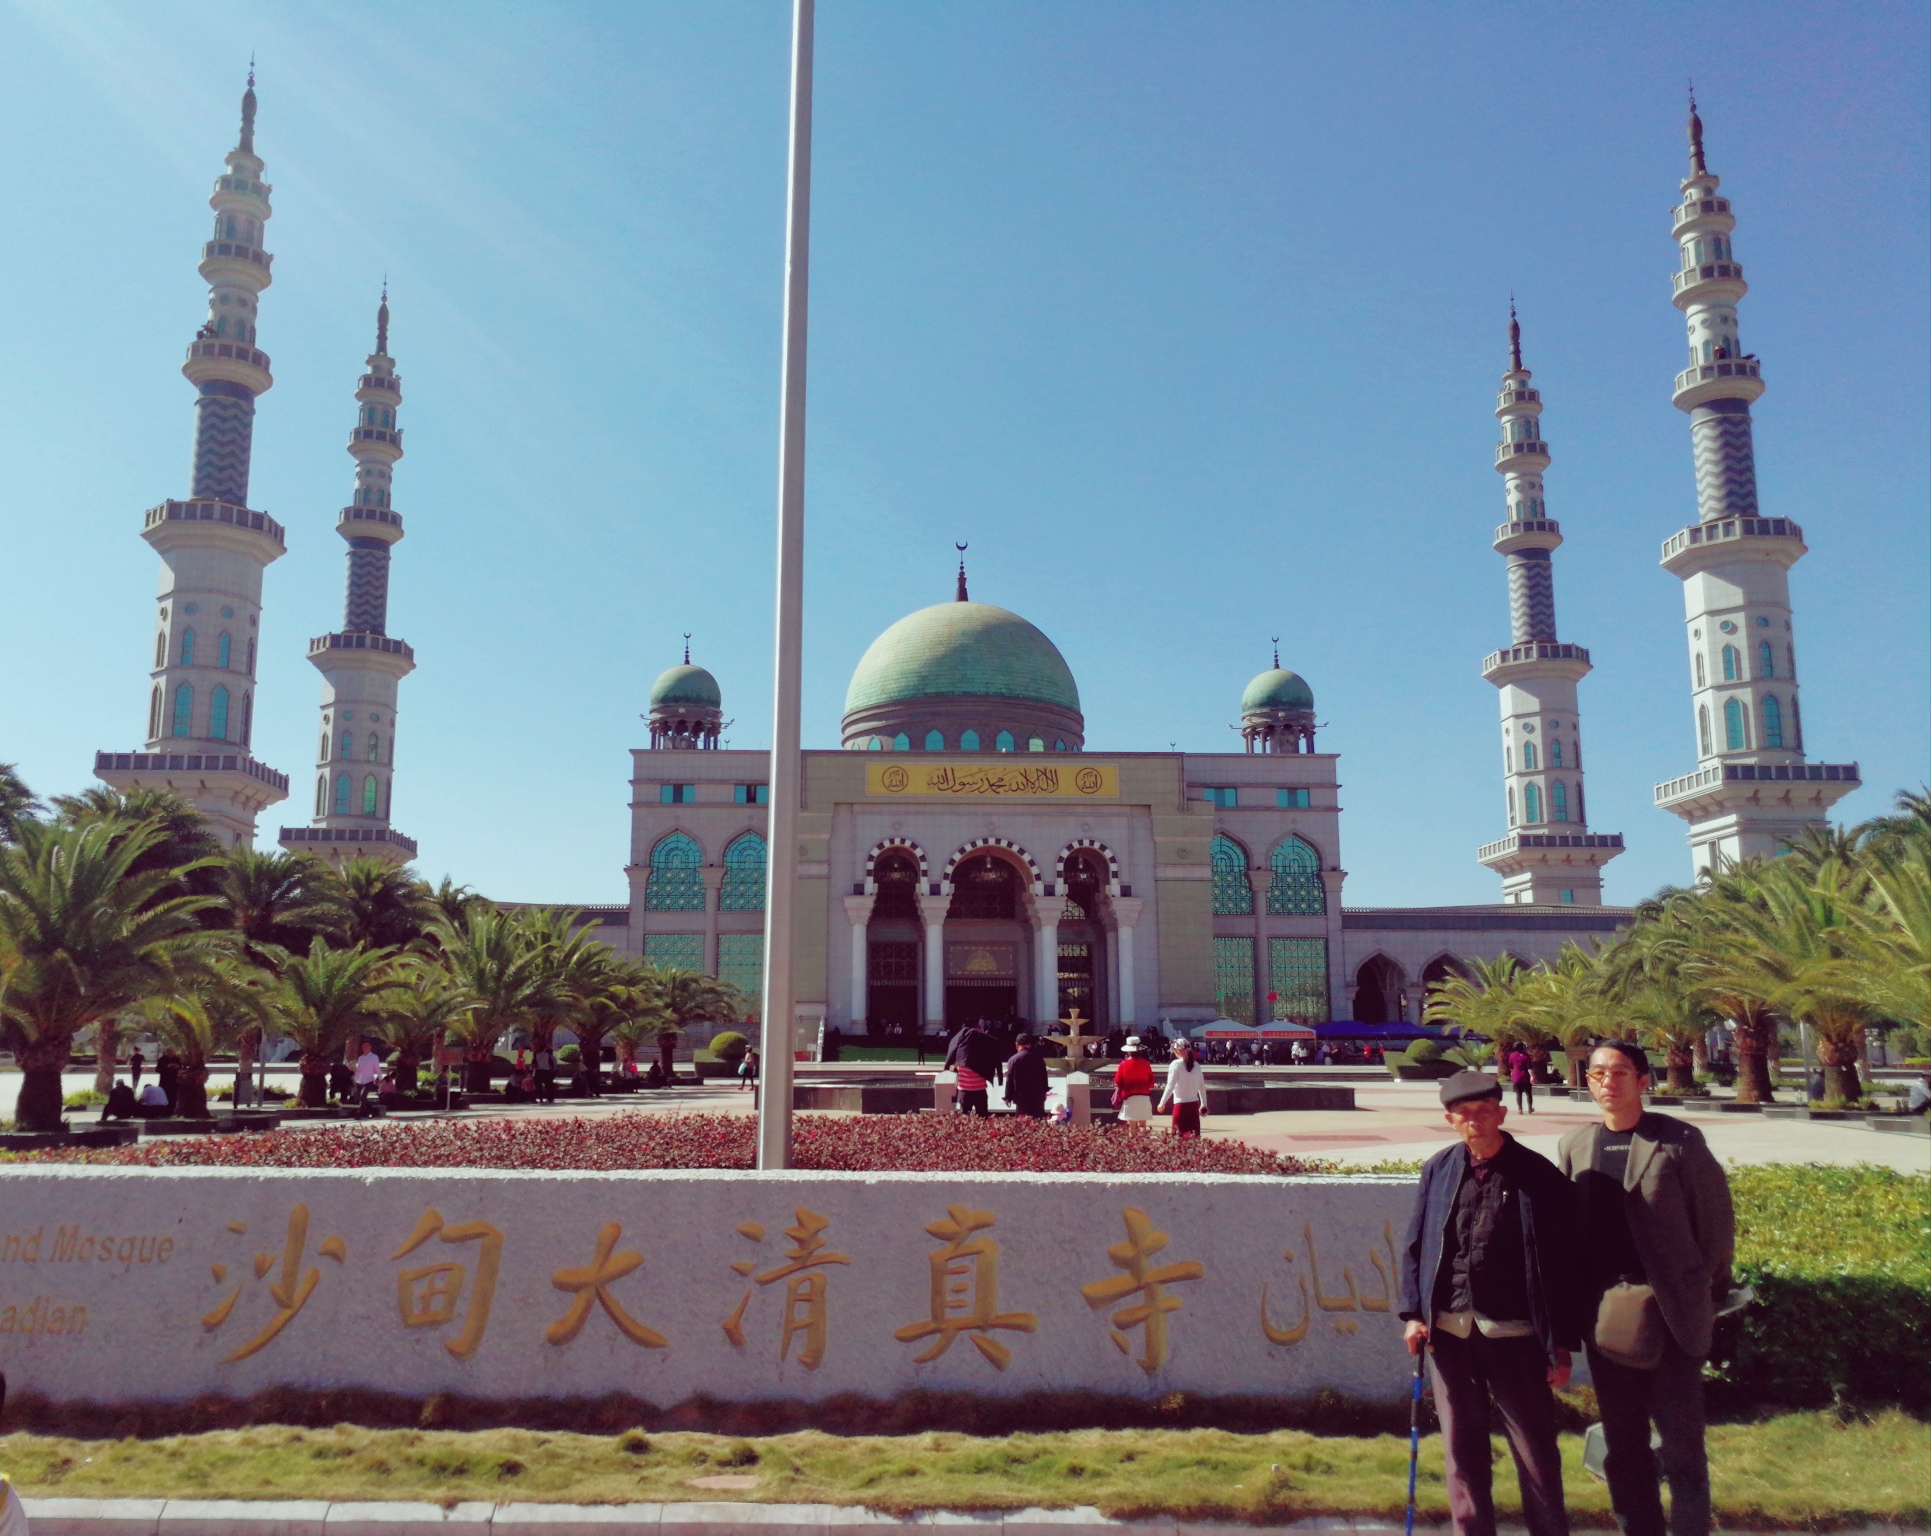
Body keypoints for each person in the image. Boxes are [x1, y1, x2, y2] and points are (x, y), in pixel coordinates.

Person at [1558, 1041, 1735, 1536]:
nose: (1607, 1082)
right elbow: (1571, 1239)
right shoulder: (1575, 1146)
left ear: (1642, 1080)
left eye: (1619, 1072)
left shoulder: (1678, 1142)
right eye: (1596, 1073)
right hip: (1608, 1322)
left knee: (1682, 1449)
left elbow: (1716, 1231)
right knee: (1624, 1445)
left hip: (1672, 1316)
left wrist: (1701, 1295)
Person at [1398, 1070, 1579, 1536]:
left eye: (1485, 1112)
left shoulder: (1538, 1176)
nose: (1475, 1121)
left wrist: (1560, 1345)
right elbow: (1416, 1246)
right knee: (1463, 1448)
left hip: (1516, 1335)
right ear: (1450, 1120)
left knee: (1535, 1450)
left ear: (1501, 1113)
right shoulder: (1438, 1169)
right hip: (1450, 1334)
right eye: (1465, 1114)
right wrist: (1414, 1315)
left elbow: (1562, 1265)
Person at [944, 1022, 1003, 1117]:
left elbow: (952, 1068)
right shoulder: (983, 1058)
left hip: (964, 1091)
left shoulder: (960, 1058)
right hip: (980, 1091)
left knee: (965, 1118)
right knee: (983, 1117)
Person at [1157, 1037, 1207, 1137]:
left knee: (1179, 1138)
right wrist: (1203, 1104)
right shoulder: (1196, 1065)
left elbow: (1170, 1085)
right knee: (1194, 1138)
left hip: (1180, 1106)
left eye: (1174, 1050)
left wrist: (1162, 1103)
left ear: (1178, 1050)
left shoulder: (1175, 1064)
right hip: (1194, 1105)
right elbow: (1201, 1086)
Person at [1004, 1034, 1050, 1119]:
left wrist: (1008, 1097)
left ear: (1016, 1044)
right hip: (1038, 1097)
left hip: (1021, 1098)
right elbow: (1044, 1077)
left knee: (1024, 1126)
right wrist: (1044, 1091)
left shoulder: (1013, 1060)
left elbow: (1009, 1080)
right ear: (1029, 1044)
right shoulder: (1038, 1058)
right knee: (1038, 1124)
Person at [1113, 1036, 1156, 1126]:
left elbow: (1117, 1081)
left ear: (1128, 1051)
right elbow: (1151, 1083)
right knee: (1142, 1127)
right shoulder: (1146, 1063)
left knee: (1132, 1128)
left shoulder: (1123, 1064)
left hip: (1130, 1099)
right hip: (1144, 1098)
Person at [1508, 1045, 1536, 1114]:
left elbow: (1510, 1066)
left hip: (1516, 1076)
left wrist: (1512, 1073)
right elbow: (1529, 1067)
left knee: (1518, 1093)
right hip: (1526, 1076)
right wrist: (1532, 1076)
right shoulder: (1526, 1055)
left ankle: (1520, 1109)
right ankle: (1530, 1108)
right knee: (1528, 1093)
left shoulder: (1512, 1055)